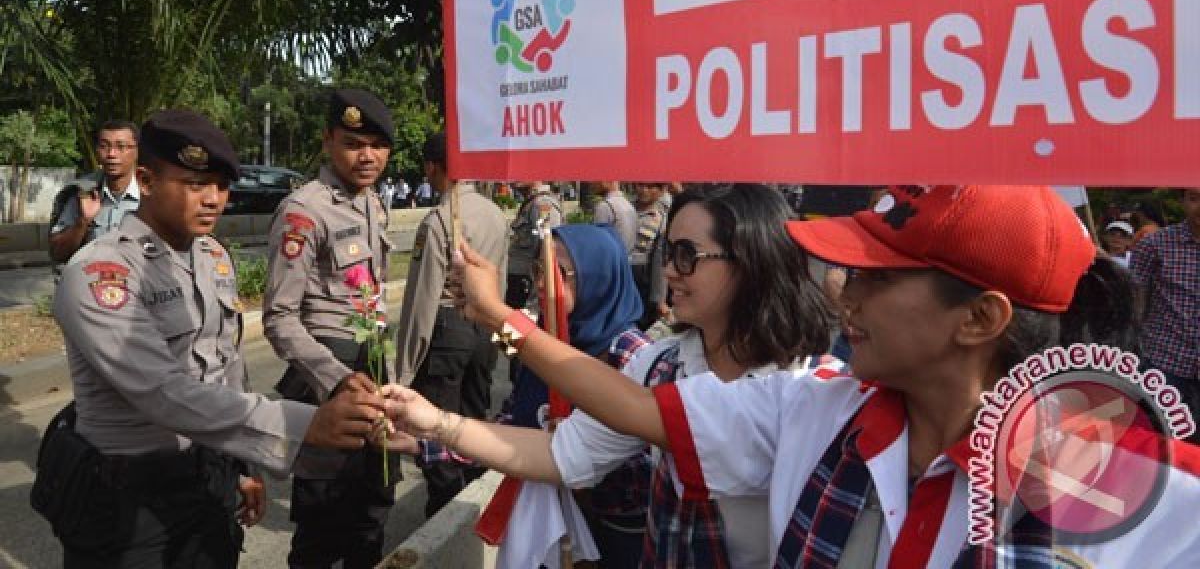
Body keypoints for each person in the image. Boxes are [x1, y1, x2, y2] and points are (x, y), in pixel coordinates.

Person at [414, 184, 1197, 567]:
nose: (845, 296)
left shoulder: (1137, 501)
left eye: (878, 280)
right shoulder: (819, 413)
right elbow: (633, 412)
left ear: (980, 319)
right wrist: (498, 321)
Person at [387, 184, 839, 567]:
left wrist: (497, 317)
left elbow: (560, 369)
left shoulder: (808, 391)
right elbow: (536, 427)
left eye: (559, 273)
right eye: (541, 271)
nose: (666, 271)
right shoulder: (643, 358)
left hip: (611, 529)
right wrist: (434, 428)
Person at [41, 110, 388, 568]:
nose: (212, 200)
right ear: (145, 180)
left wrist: (242, 466)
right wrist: (302, 426)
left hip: (208, 481)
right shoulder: (101, 274)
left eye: (222, 186)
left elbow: (225, 368)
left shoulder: (213, 258)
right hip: (129, 498)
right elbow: (163, 392)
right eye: (193, 184)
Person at [412, 224, 652, 566]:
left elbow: (643, 460)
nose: (542, 283)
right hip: (554, 527)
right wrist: (421, 441)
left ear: (598, 277)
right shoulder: (544, 338)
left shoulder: (634, 357)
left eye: (559, 272)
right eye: (539, 270)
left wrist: (576, 456)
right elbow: (511, 426)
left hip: (618, 534)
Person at [262, 88, 398, 569]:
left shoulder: (374, 203)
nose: (368, 156)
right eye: (354, 143)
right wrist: (333, 376)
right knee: (322, 522)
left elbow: (373, 297)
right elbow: (279, 316)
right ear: (328, 142)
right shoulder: (304, 210)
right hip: (328, 378)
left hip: (374, 367)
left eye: (378, 145)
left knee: (373, 508)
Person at [393, 132, 509, 517]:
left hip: (448, 331)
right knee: (475, 425)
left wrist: (404, 369)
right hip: (486, 329)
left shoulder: (440, 220)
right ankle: (474, 508)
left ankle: (445, 518)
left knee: (439, 428)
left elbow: (422, 301)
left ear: (431, 167)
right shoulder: (495, 214)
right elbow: (500, 281)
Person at [1131, 187, 1200, 445]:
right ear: (1182, 200)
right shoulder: (1155, 245)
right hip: (1164, 365)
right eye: (1194, 198)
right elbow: (1134, 301)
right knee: (1159, 448)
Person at [48, 120, 142, 264]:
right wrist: (83, 222)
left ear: (137, 151)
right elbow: (57, 253)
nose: (111, 154)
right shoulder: (83, 193)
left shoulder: (154, 195)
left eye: (121, 147)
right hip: (92, 282)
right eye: (104, 146)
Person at [505, 181, 563, 311]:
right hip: (519, 284)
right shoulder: (531, 203)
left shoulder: (542, 203)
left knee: (514, 330)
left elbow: (547, 250)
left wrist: (535, 296)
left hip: (526, 287)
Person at [630, 182, 670, 329]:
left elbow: (660, 261)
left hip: (642, 280)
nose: (644, 190)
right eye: (640, 185)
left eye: (651, 186)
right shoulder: (625, 209)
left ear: (662, 190)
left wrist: (659, 299)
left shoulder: (661, 218)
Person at [590, 181, 637, 252]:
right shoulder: (628, 204)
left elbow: (598, 242)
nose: (591, 184)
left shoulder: (605, 206)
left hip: (611, 260)